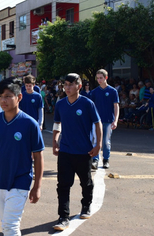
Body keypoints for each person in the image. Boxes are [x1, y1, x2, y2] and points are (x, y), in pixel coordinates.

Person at [0, 78, 44, 236]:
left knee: (10, 226)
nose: (3, 100)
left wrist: (37, 186)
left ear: (19, 97)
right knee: (6, 225)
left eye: (8, 96)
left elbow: (38, 156)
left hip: (20, 181)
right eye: (0, 96)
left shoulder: (30, 124)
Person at [52, 73, 102, 231]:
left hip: (83, 152)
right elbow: (57, 123)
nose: (67, 88)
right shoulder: (60, 104)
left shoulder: (87, 104)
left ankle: (86, 205)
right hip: (65, 151)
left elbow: (98, 123)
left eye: (71, 85)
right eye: (65, 85)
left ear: (79, 86)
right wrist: (54, 141)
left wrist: (98, 145)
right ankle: (63, 217)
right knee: (63, 185)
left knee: (86, 182)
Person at [90, 69, 119, 169]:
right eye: (97, 78)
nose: (99, 80)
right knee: (95, 140)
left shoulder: (112, 91)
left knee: (106, 141)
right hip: (97, 121)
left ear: (106, 78)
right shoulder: (94, 92)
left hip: (108, 120)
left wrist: (115, 120)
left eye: (101, 78)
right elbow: (91, 107)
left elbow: (116, 106)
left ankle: (106, 159)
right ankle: (95, 160)